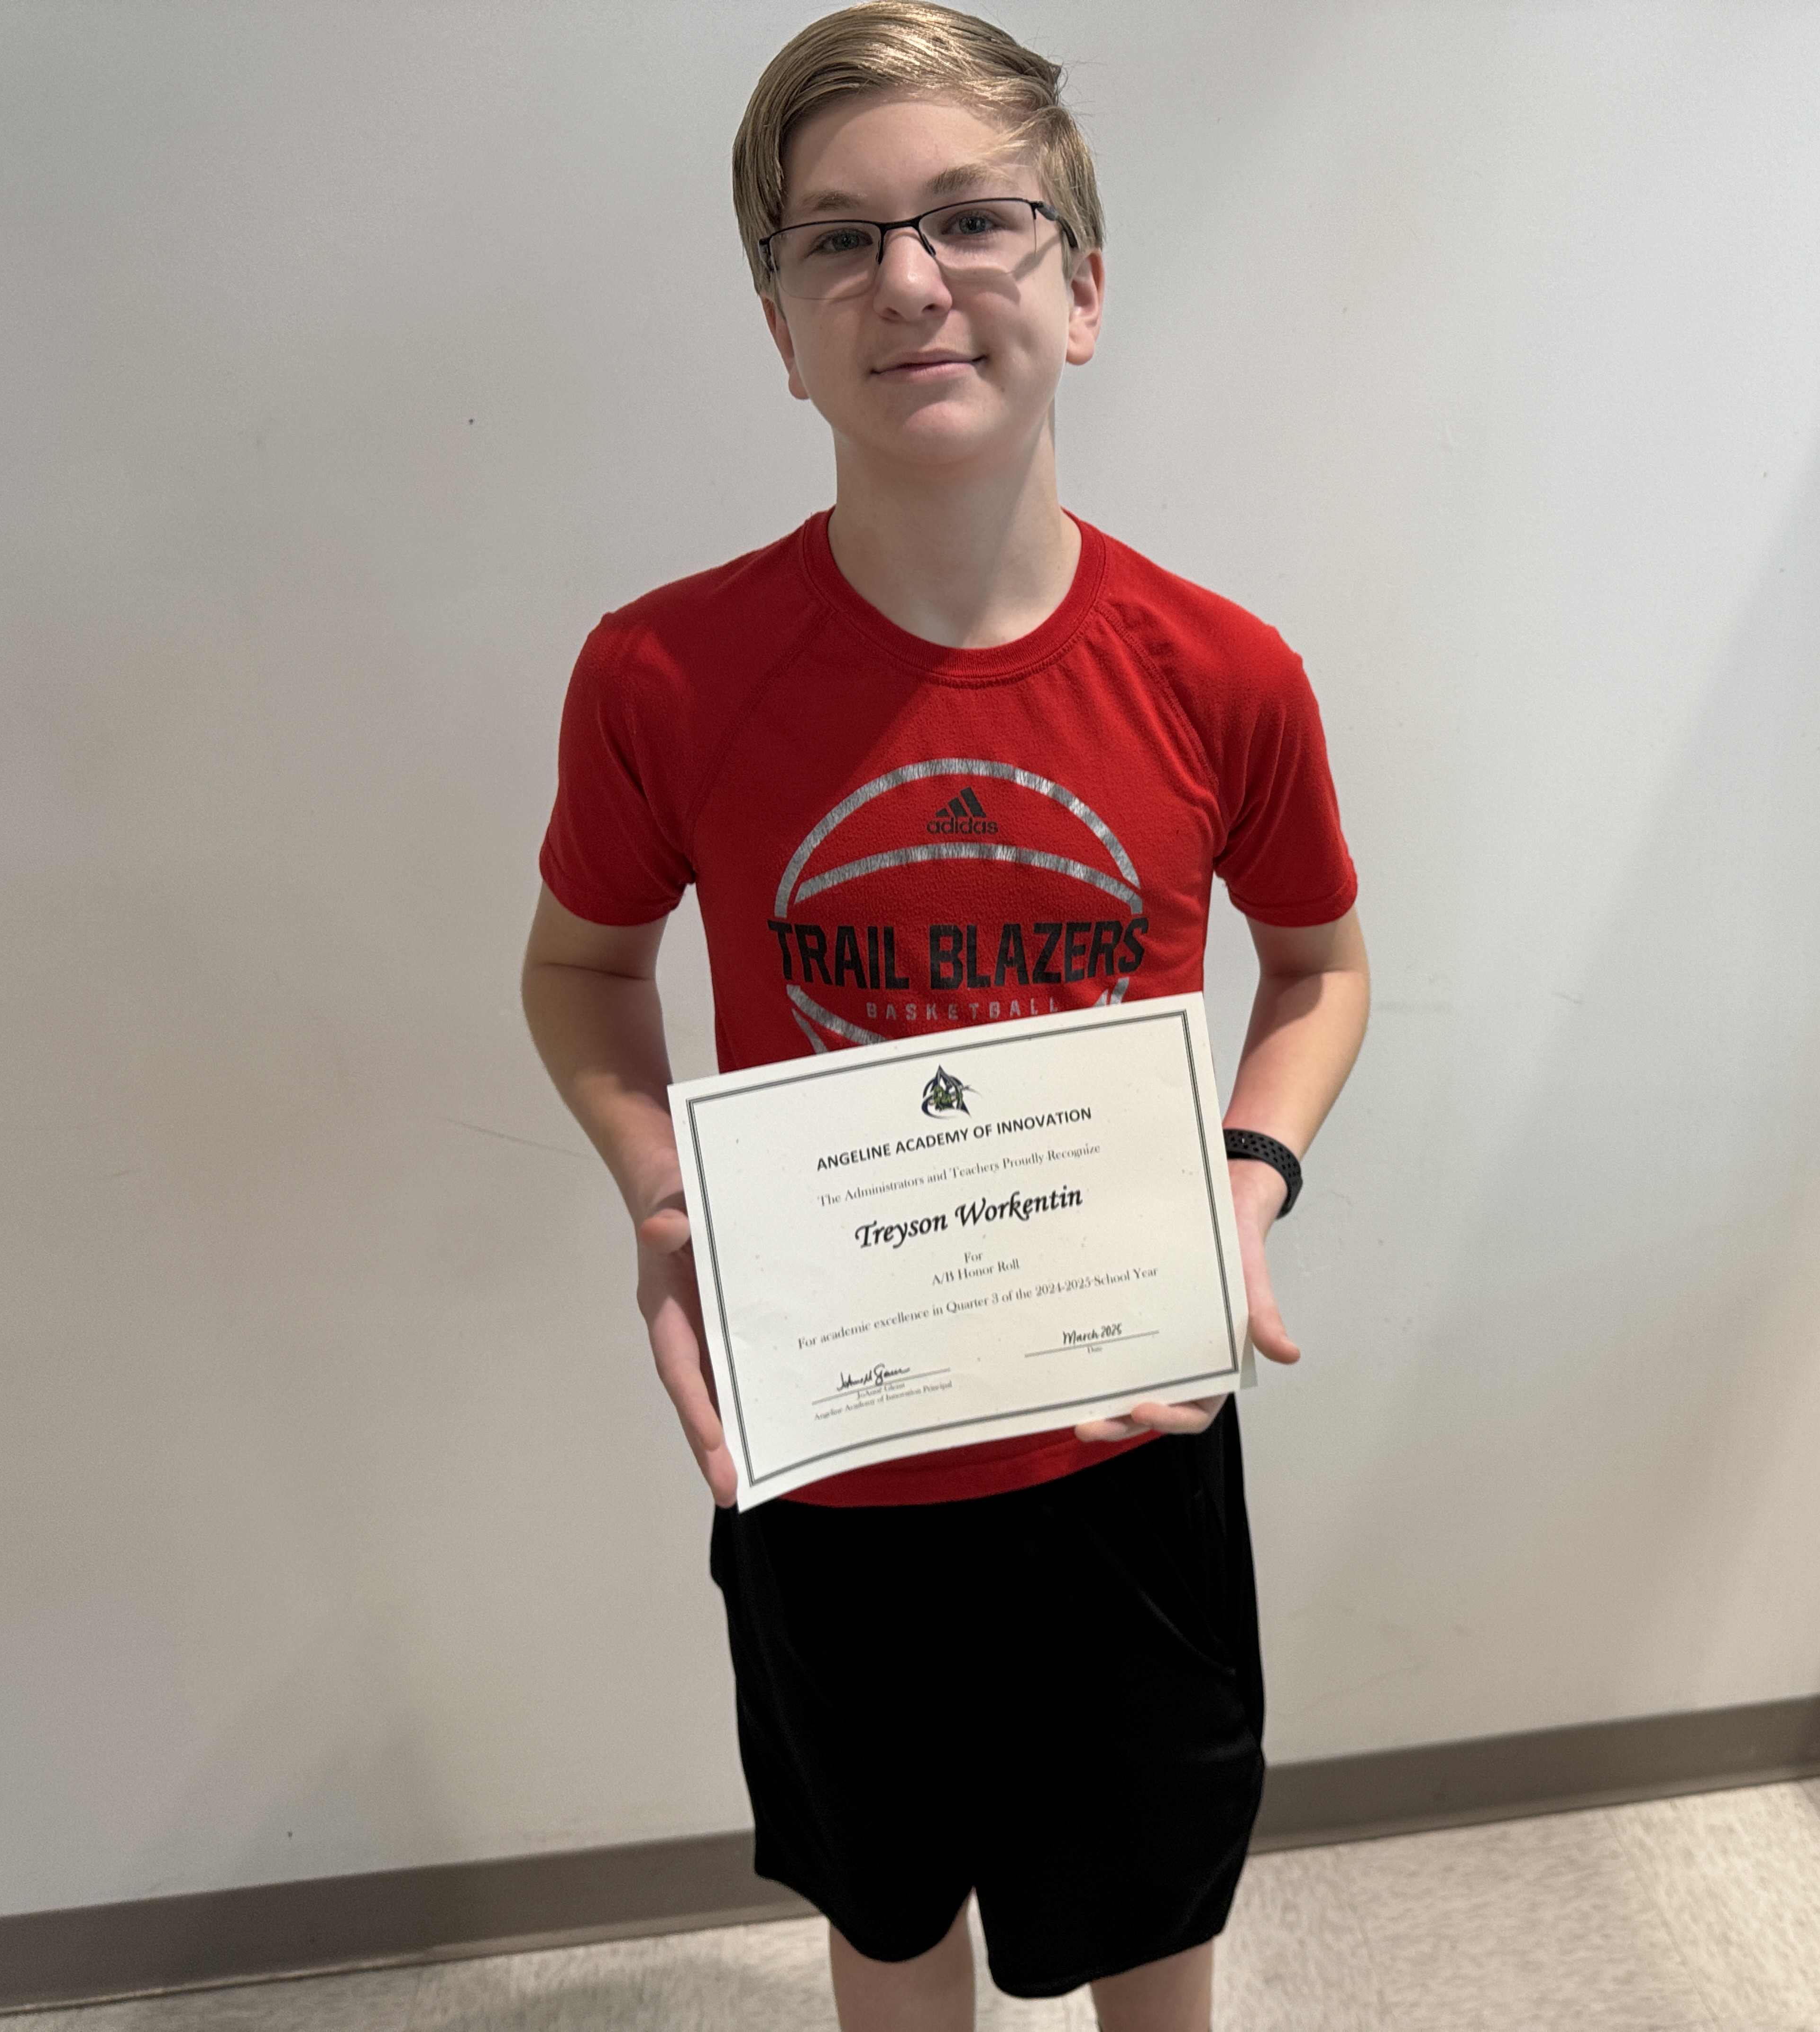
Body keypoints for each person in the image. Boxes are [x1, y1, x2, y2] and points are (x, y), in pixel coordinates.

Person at [518, 8, 1371, 2027]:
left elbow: (1321, 968)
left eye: (974, 219)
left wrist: (1247, 1174)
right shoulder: (662, 675)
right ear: (780, 326)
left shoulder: (1220, 672)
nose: (909, 279)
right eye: (839, 238)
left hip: (1124, 1437)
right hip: (833, 1446)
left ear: (1083, 290)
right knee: (889, 1915)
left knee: (1150, 1915)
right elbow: (580, 968)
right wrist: (660, 1190)